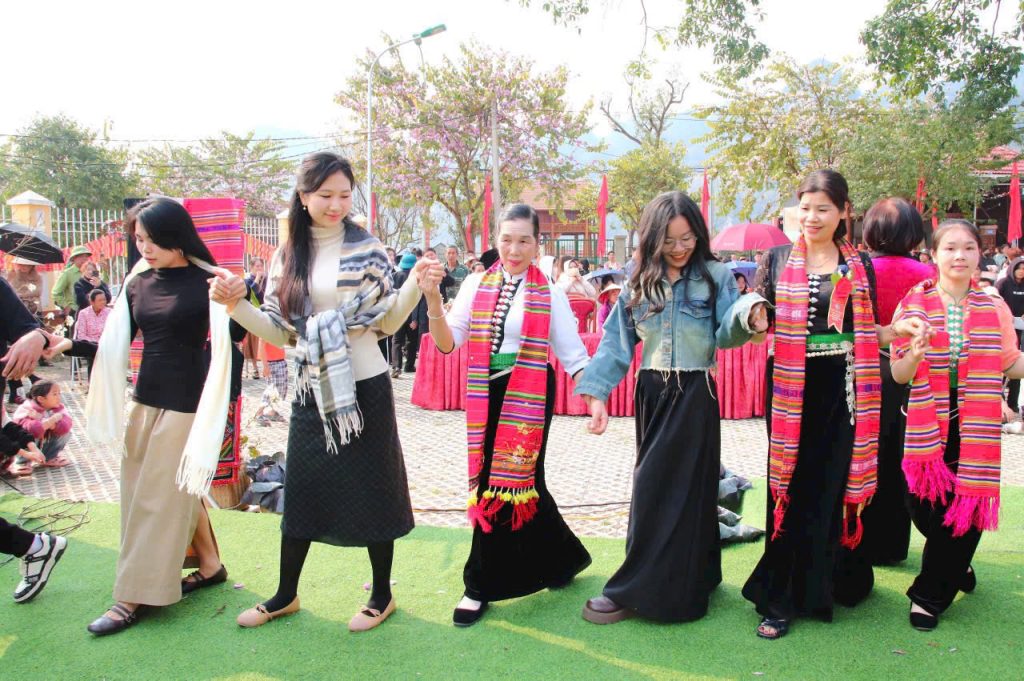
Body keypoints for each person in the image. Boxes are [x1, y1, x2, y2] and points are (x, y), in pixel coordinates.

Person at [210, 152, 430, 633]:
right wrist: (235, 306)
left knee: (374, 487)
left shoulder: (369, 249)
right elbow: (279, 331)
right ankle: (285, 594)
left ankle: (381, 594)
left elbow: (388, 322)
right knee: (304, 490)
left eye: (344, 195)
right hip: (311, 387)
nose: (336, 205)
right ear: (304, 196)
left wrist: (415, 285)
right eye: (325, 195)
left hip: (365, 386)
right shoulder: (287, 255)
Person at [741, 170, 922, 639]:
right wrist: (753, 321)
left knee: (829, 486)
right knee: (789, 483)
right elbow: (756, 325)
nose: (812, 217)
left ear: (844, 212)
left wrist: (897, 331)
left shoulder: (858, 265)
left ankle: (826, 582)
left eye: (823, 208)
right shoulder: (776, 259)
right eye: (805, 207)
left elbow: (867, 332)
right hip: (789, 388)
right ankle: (780, 597)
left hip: (843, 388)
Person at [575, 192, 768, 625]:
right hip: (651, 392)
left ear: (699, 235)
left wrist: (750, 317)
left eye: (687, 238)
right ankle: (685, 576)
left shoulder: (716, 275)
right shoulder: (638, 281)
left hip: (696, 391)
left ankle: (653, 588)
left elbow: (727, 331)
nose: (680, 248)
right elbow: (616, 342)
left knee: (686, 488)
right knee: (653, 487)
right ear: (652, 238)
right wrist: (597, 394)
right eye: (669, 240)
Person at [423, 203, 592, 627]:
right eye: (506, 240)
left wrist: (595, 398)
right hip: (487, 393)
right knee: (521, 484)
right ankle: (563, 559)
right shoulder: (476, 283)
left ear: (537, 244)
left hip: (530, 394)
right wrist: (432, 301)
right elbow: (448, 342)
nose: (514, 250)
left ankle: (478, 586)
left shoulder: (549, 292)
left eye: (524, 241)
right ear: (495, 240)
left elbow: (573, 354)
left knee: (501, 486)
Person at [81, 197, 233, 636]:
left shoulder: (211, 282)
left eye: (152, 239)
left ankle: (132, 596)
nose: (144, 248)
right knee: (156, 490)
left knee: (155, 498)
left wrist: (239, 298)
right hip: (145, 400)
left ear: (176, 236)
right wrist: (67, 346)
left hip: (188, 403)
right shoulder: (137, 282)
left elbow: (237, 335)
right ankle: (210, 564)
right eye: (139, 239)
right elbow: (113, 342)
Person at [890, 219, 1024, 631]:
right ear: (933, 254)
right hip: (923, 419)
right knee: (920, 503)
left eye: (968, 247)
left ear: (979, 254)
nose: (959, 256)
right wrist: (914, 355)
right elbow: (898, 373)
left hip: (974, 421)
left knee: (965, 503)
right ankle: (956, 563)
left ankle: (929, 596)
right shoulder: (913, 304)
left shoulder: (993, 306)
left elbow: (1010, 364)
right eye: (950, 248)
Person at [855, 198, 939, 566]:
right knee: (900, 456)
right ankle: (891, 544)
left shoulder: (858, 270)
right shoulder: (927, 274)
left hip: (862, 370)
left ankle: (857, 538)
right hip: (912, 371)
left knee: (864, 453)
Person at [11, 380, 72, 469]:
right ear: (41, 399)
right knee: (28, 436)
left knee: (66, 433)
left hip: (41, 440)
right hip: (23, 446)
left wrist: (51, 424)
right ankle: (22, 461)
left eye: (59, 393)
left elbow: (66, 425)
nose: (59, 397)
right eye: (55, 394)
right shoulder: (27, 409)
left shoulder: (58, 408)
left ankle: (49, 457)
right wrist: (49, 421)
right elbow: (30, 430)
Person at [390, 253, 428, 378]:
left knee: (397, 340)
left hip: (397, 314)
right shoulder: (416, 278)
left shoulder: (394, 276)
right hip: (411, 315)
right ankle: (409, 365)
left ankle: (396, 366)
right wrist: (415, 319)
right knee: (411, 341)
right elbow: (418, 300)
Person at [997, 256, 1024, 414]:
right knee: (1003, 364)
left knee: (1016, 362)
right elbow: (996, 301)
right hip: (1005, 327)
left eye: (1023, 269)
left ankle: (1013, 403)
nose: (1021, 271)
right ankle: (999, 401)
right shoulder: (1004, 283)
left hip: (1020, 328)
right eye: (1018, 268)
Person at [241, 257, 268, 379]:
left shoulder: (266, 279)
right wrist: (257, 278)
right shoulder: (247, 280)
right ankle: (255, 368)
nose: (259, 268)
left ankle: (267, 365)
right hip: (253, 313)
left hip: (265, 312)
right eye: (257, 266)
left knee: (265, 341)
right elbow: (254, 291)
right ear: (251, 267)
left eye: (261, 266)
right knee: (253, 342)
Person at [73, 289, 110, 378]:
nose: (103, 302)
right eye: (100, 300)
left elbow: (112, 331)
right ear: (92, 302)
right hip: (89, 344)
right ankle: (92, 383)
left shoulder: (109, 312)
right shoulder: (83, 313)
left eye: (104, 299)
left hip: (106, 343)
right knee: (94, 353)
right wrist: (96, 343)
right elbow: (81, 335)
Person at [255, 339, 288, 426]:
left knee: (281, 389)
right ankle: (259, 412)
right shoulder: (265, 331)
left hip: (281, 360)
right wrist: (265, 366)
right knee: (271, 389)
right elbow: (261, 347)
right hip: (271, 363)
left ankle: (272, 412)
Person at [51, 245, 92, 316]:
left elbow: (99, 288)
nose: (84, 259)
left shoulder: (91, 271)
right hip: (75, 311)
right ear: (74, 258)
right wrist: (66, 306)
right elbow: (55, 293)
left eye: (86, 256)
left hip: (91, 310)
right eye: (81, 256)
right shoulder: (67, 273)